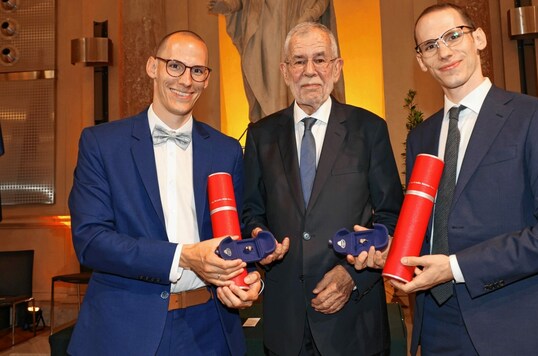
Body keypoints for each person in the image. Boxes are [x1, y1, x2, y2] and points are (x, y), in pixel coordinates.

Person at [356, 3, 538, 355]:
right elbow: (435, 228)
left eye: (453, 36)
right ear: (421, 60)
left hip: (517, 327)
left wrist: (456, 267)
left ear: (478, 38)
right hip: (437, 328)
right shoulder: (422, 136)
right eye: (430, 45)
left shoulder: (536, 117)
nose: (444, 51)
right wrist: (393, 252)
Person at [68, 30, 264, 356]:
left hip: (210, 329)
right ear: (152, 67)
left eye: (197, 70)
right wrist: (182, 256)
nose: (186, 80)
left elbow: (238, 235)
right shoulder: (101, 144)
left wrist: (252, 278)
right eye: (175, 66)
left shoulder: (227, 151)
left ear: (206, 79)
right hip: (125, 327)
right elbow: (90, 241)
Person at [242, 22, 403, 355]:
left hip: (354, 322)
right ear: (285, 71)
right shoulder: (260, 135)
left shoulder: (369, 130)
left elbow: (391, 215)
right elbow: (251, 211)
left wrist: (351, 276)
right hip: (285, 322)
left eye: (320, 59)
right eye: (299, 61)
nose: (309, 71)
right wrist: (260, 238)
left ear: (337, 67)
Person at [208, 0, 345, 122]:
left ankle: (299, 127)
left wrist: (311, 13)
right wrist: (229, 4)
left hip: (298, 17)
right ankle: (270, 129)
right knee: (266, 77)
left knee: (301, 71)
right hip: (264, 25)